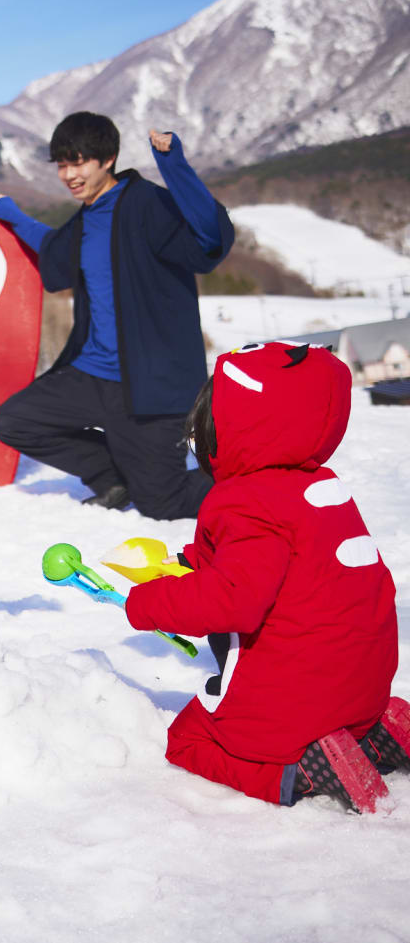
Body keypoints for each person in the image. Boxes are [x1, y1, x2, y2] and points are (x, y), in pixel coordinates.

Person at [124, 341, 404, 812]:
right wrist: (196, 560)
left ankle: (299, 772)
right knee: (340, 705)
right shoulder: (318, 486)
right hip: (363, 688)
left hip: (299, 703)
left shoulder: (245, 502)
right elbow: (289, 562)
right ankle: (375, 736)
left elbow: (230, 601)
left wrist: (147, 603)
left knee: (190, 739)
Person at [0, 112, 234, 518]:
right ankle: (112, 478)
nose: (69, 174)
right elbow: (55, 247)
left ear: (108, 157)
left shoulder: (147, 204)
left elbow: (208, 236)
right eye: (62, 164)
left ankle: (248, 484)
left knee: (162, 504)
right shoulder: (85, 220)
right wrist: (11, 214)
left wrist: (174, 164)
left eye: (78, 162)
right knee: (14, 421)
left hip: (151, 389)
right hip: (93, 376)